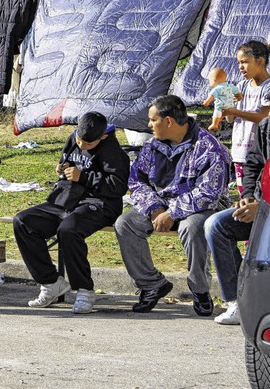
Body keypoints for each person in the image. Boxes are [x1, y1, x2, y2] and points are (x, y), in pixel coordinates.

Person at [114, 95, 231, 315]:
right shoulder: (152, 146)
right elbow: (137, 180)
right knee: (125, 224)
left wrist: (171, 212)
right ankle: (151, 285)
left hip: (201, 208)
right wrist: (154, 207)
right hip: (160, 206)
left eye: (152, 120)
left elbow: (209, 193)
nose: (149, 125)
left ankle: (200, 289)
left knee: (193, 227)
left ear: (168, 121)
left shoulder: (208, 147)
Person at [13, 112, 129, 313]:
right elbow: (68, 162)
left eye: (89, 144)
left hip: (99, 204)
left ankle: (84, 289)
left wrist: (83, 177)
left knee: (69, 230)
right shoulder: (73, 138)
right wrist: (62, 169)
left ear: (102, 137)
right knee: (23, 221)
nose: (82, 146)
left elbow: (117, 188)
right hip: (66, 199)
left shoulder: (114, 152)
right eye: (79, 140)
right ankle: (50, 282)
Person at [205, 115, 270, 325]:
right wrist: (248, 197)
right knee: (217, 225)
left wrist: (262, 208)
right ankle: (238, 302)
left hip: (264, 209)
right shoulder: (266, 126)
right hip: (261, 206)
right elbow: (253, 164)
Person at [222, 41, 270, 195]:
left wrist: (235, 111)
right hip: (239, 152)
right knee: (245, 193)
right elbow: (230, 119)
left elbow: (263, 117)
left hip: (260, 154)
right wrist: (226, 107)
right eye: (238, 63)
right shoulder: (241, 86)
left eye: (244, 62)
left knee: (261, 195)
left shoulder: (268, 87)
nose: (240, 67)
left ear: (260, 61)